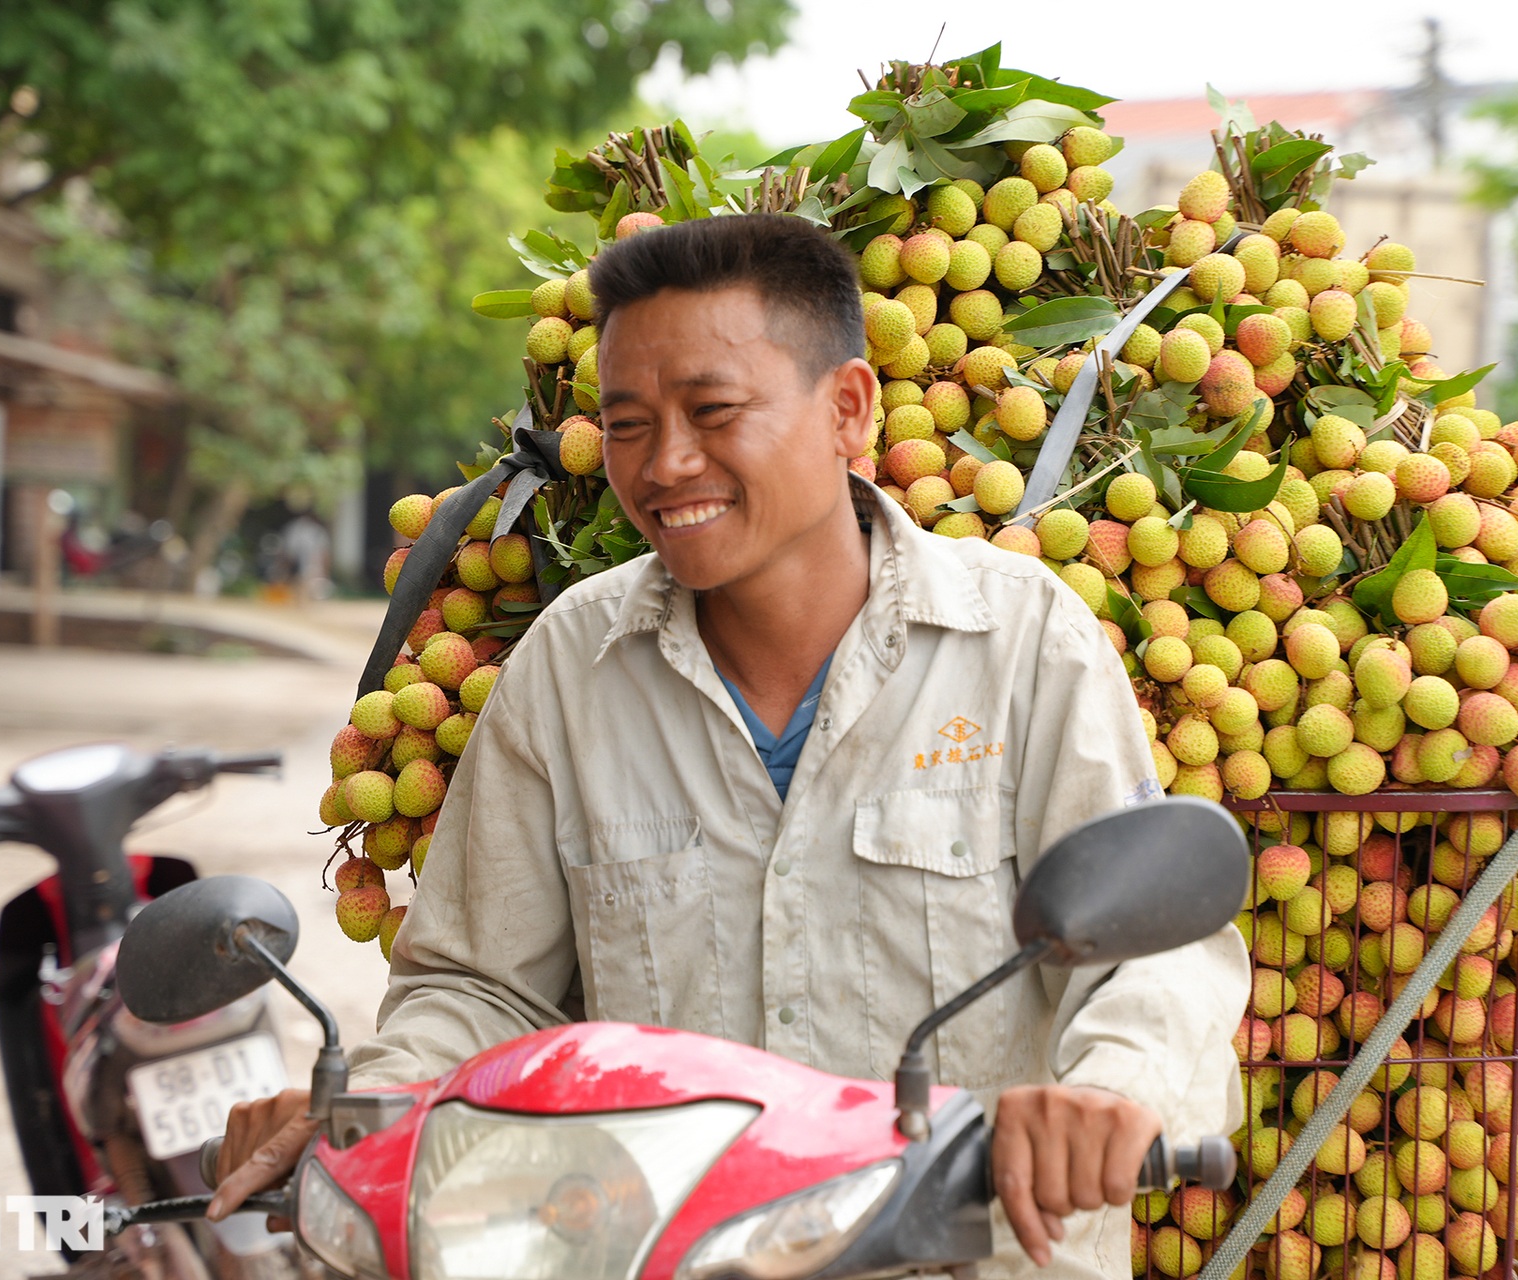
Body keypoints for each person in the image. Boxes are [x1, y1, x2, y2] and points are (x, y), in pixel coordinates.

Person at [211, 214, 1248, 1276]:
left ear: (849, 409)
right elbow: (481, 988)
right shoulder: (571, 665)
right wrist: (365, 1108)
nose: (665, 463)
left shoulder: (1025, 642)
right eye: (627, 424)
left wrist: (1108, 1097)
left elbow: (1154, 954)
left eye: (713, 411)